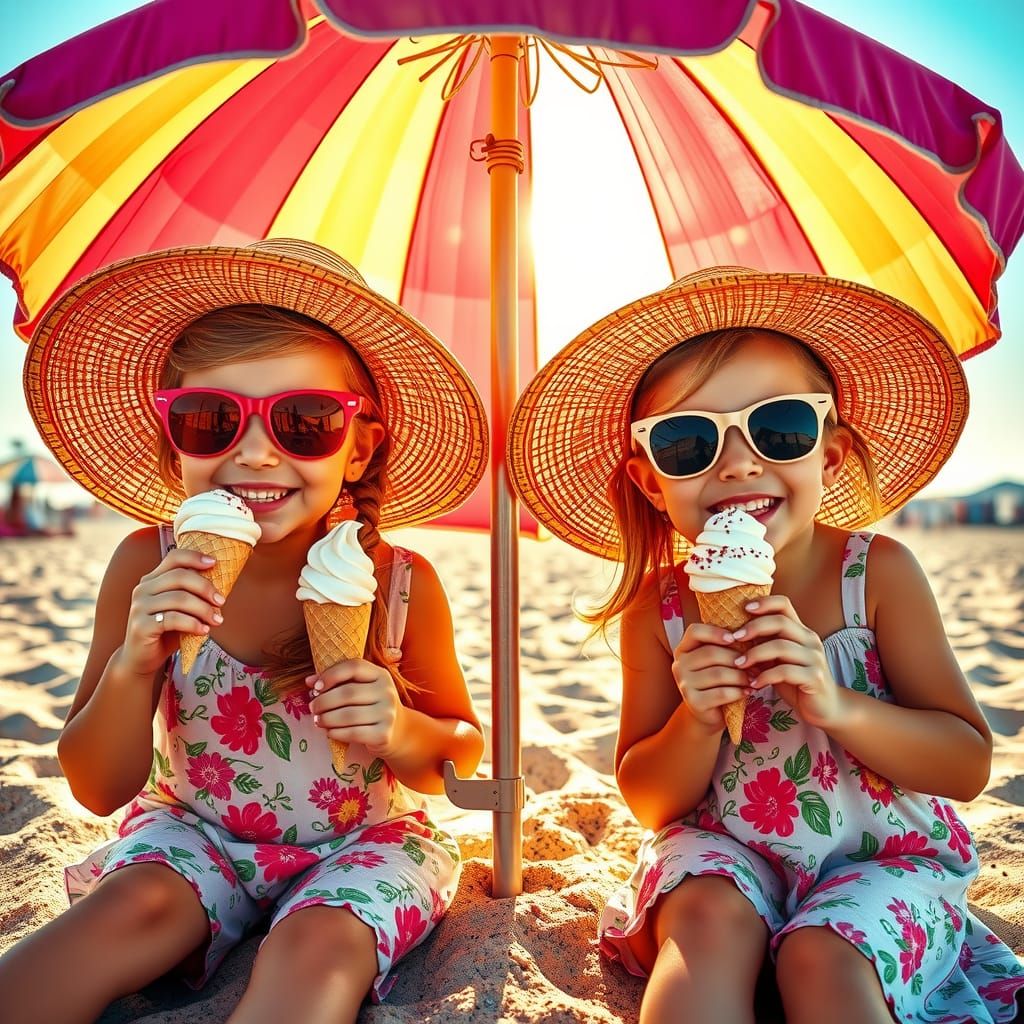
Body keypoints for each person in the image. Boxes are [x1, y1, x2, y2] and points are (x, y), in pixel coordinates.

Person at [507, 267, 1024, 1024]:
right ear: (652, 484)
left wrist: (836, 705)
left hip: (883, 863)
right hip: (724, 853)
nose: (739, 463)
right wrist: (695, 718)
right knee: (704, 922)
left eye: (780, 427)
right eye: (688, 442)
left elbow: (967, 763)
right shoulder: (663, 609)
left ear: (832, 454)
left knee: (825, 958)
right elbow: (652, 799)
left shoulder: (875, 576)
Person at [0, 238, 488, 1024]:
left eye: (304, 420)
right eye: (210, 420)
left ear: (359, 446)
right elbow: (97, 787)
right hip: (195, 832)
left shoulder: (399, 584)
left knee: (318, 951)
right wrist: (134, 665)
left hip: (365, 845)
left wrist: (398, 728)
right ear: (175, 441)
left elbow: (460, 761)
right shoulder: (145, 564)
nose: (255, 451)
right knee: (117, 917)